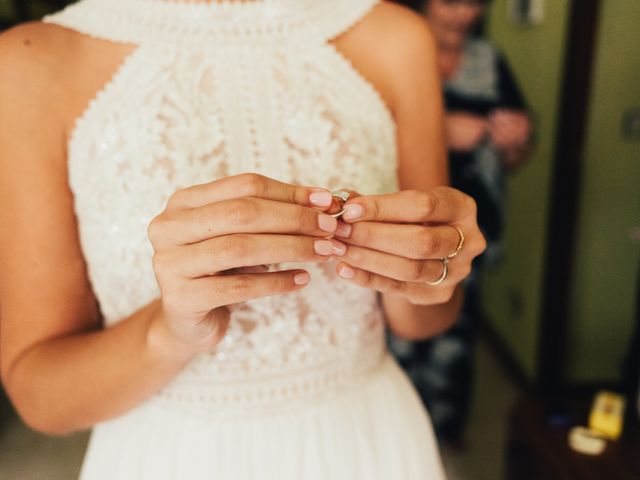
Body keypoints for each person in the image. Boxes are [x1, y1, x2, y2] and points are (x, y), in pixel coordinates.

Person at [0, 1, 485, 478]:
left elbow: (423, 320)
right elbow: (40, 395)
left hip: (368, 440)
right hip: (171, 456)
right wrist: (167, 332)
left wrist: (429, 271)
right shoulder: (33, 62)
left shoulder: (394, 37)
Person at [389, 0, 533, 441]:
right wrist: (440, 128)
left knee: (458, 329)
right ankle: (398, 428)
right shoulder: (393, 54)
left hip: (472, 227)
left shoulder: (490, 61)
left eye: (473, 4)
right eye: (451, 2)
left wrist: (514, 143)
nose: (462, 14)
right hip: (401, 225)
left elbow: (516, 154)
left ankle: (445, 430)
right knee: (398, 332)